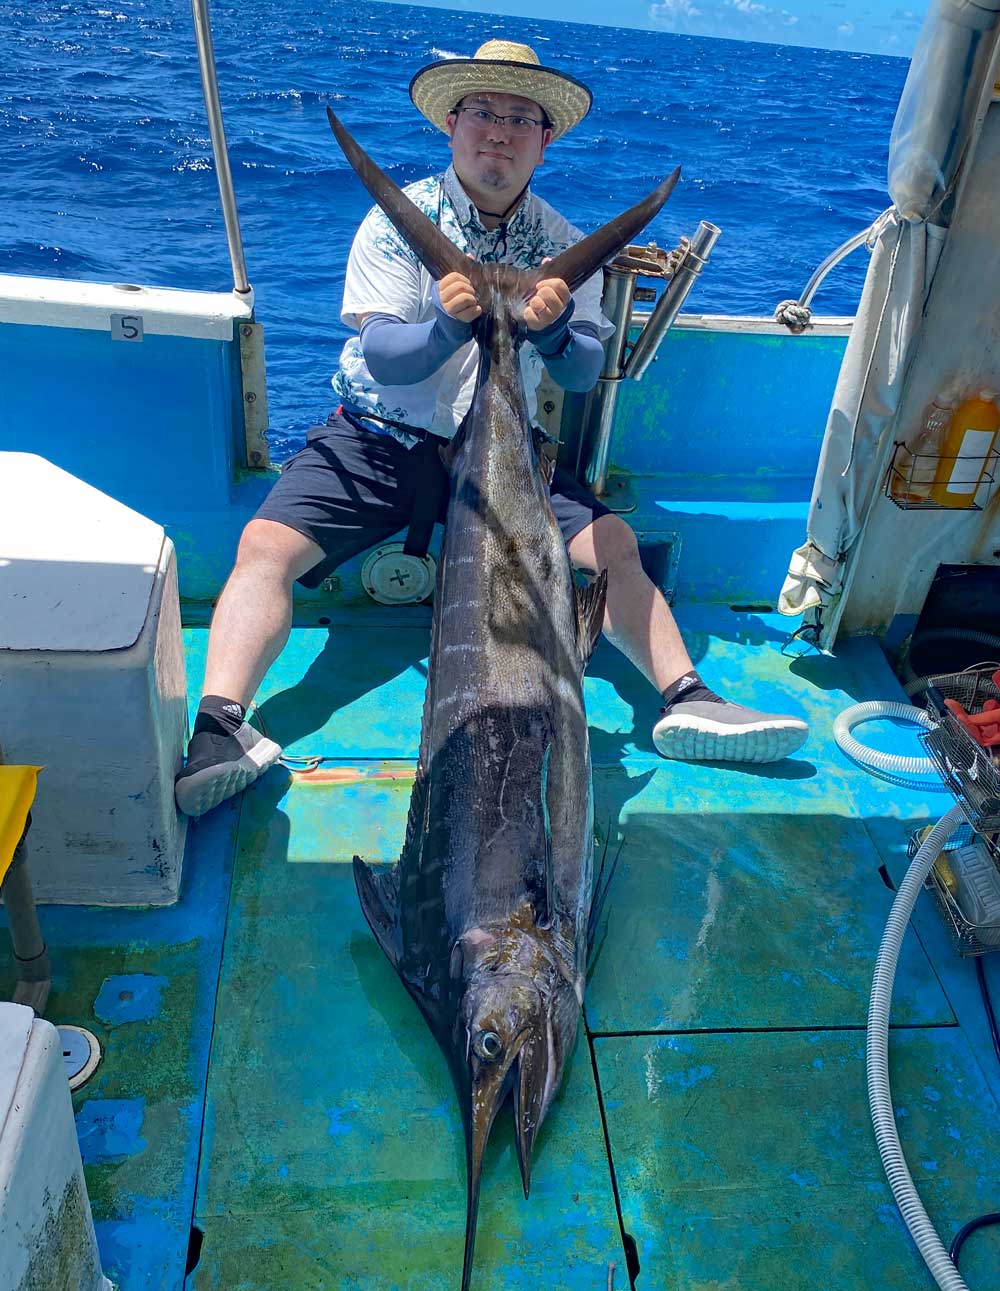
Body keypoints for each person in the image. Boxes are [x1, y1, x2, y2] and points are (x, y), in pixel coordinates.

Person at [174, 39, 808, 819]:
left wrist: (544, 334)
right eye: (482, 112)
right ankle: (219, 726)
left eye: (520, 118)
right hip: (379, 440)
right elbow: (382, 353)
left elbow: (580, 371)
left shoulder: (561, 241)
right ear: (451, 123)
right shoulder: (391, 223)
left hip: (505, 457)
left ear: (548, 139)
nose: (498, 132)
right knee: (264, 547)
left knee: (612, 548)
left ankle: (690, 696)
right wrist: (444, 327)